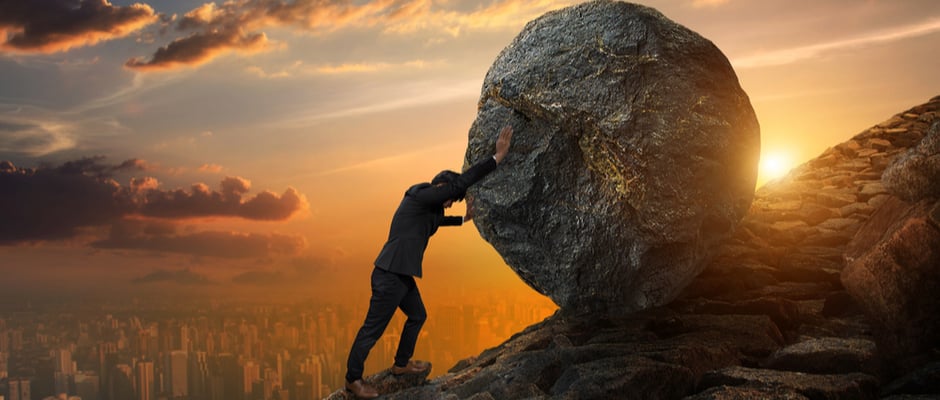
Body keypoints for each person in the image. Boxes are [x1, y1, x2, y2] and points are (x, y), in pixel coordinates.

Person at [344, 125, 514, 399]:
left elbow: (437, 221)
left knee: (418, 315)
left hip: (401, 276)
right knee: (372, 330)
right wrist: (497, 157)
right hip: (389, 275)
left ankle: (401, 365)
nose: (449, 204)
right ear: (441, 187)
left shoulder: (428, 210)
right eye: (450, 200)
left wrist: (462, 219)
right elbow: (460, 183)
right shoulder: (419, 194)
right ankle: (353, 380)